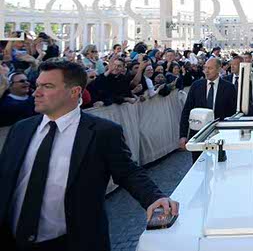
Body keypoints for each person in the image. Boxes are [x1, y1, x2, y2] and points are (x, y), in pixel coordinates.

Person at [0, 59, 178, 251]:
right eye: (37, 85)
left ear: (74, 92)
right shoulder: (21, 129)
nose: (37, 92)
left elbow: (127, 172)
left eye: (47, 86)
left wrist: (154, 198)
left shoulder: (102, 132)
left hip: (73, 243)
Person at [178, 58, 237, 160]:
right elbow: (187, 110)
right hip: (198, 135)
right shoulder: (196, 86)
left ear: (218, 69)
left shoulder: (229, 87)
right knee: (199, 164)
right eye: (205, 68)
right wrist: (183, 135)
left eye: (210, 68)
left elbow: (232, 113)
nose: (206, 71)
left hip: (220, 135)